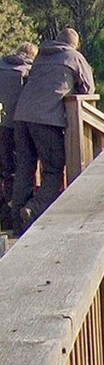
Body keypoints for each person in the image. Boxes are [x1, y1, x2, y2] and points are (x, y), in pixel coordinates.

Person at [11, 27, 95, 235]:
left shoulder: (40, 57)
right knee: (54, 169)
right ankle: (33, 209)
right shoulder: (74, 57)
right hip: (46, 120)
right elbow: (88, 88)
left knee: (24, 169)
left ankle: (16, 223)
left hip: (21, 117)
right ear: (75, 44)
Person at [0, 41, 38, 231]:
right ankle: (17, 218)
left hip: (1, 121)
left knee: (4, 172)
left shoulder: (1, 66)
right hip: (17, 125)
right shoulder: (28, 71)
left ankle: (4, 218)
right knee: (19, 171)